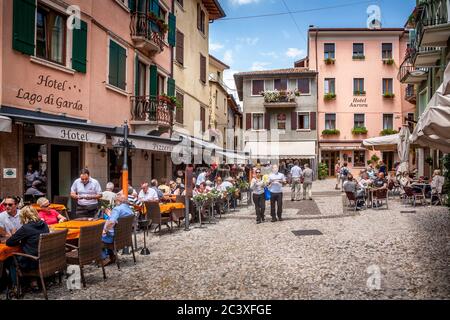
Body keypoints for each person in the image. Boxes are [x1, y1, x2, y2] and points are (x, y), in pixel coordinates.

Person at [5, 206, 49, 291]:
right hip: (44, 258)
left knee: (10, 260)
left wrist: (14, 235)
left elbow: (9, 242)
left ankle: (16, 287)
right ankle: (33, 281)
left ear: (24, 216)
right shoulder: (44, 224)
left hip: (33, 261)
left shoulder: (26, 228)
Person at [101, 195, 134, 265]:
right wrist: (111, 215)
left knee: (97, 236)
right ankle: (112, 256)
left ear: (118, 201)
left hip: (114, 238)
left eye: (115, 201)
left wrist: (105, 231)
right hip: (124, 237)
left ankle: (104, 258)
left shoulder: (117, 209)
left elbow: (111, 223)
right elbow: (118, 220)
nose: (115, 203)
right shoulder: (129, 209)